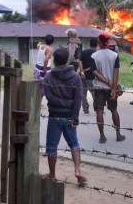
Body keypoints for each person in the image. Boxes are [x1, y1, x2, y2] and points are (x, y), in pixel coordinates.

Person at [42, 47, 87, 185]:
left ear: (54, 60)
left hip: (54, 116)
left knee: (51, 147)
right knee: (74, 143)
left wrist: (61, 103)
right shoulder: (75, 77)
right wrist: (74, 116)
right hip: (69, 117)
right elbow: (78, 99)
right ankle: (77, 170)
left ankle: (53, 175)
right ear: (67, 59)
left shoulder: (48, 77)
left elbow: (49, 97)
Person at [90, 33, 125, 143]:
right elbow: (116, 73)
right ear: (108, 42)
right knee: (114, 110)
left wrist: (106, 82)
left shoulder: (94, 56)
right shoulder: (114, 55)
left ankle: (102, 136)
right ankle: (118, 135)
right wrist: (113, 88)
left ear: (99, 43)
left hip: (99, 87)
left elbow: (95, 73)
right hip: (111, 89)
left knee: (99, 111)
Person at [79, 38, 98, 114]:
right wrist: (86, 70)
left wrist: (82, 71)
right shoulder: (96, 54)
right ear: (96, 45)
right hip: (91, 76)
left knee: (83, 93)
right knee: (94, 92)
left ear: (90, 44)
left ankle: (85, 110)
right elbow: (93, 66)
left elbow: (80, 62)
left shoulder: (83, 52)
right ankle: (97, 109)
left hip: (82, 76)